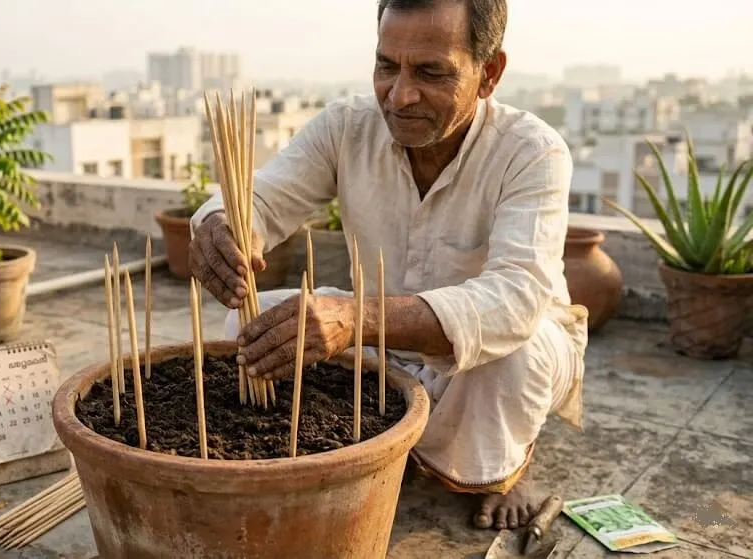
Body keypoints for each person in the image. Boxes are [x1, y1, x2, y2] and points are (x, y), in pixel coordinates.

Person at [188, 0, 589, 532]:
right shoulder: (346, 126)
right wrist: (220, 226)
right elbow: (259, 201)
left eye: (430, 72)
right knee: (254, 322)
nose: (400, 96)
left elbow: (514, 301)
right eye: (386, 66)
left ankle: (499, 468)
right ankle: (394, 436)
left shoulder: (533, 151)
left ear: (488, 73)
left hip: (495, 353)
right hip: (384, 342)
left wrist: (355, 318)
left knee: (514, 357)